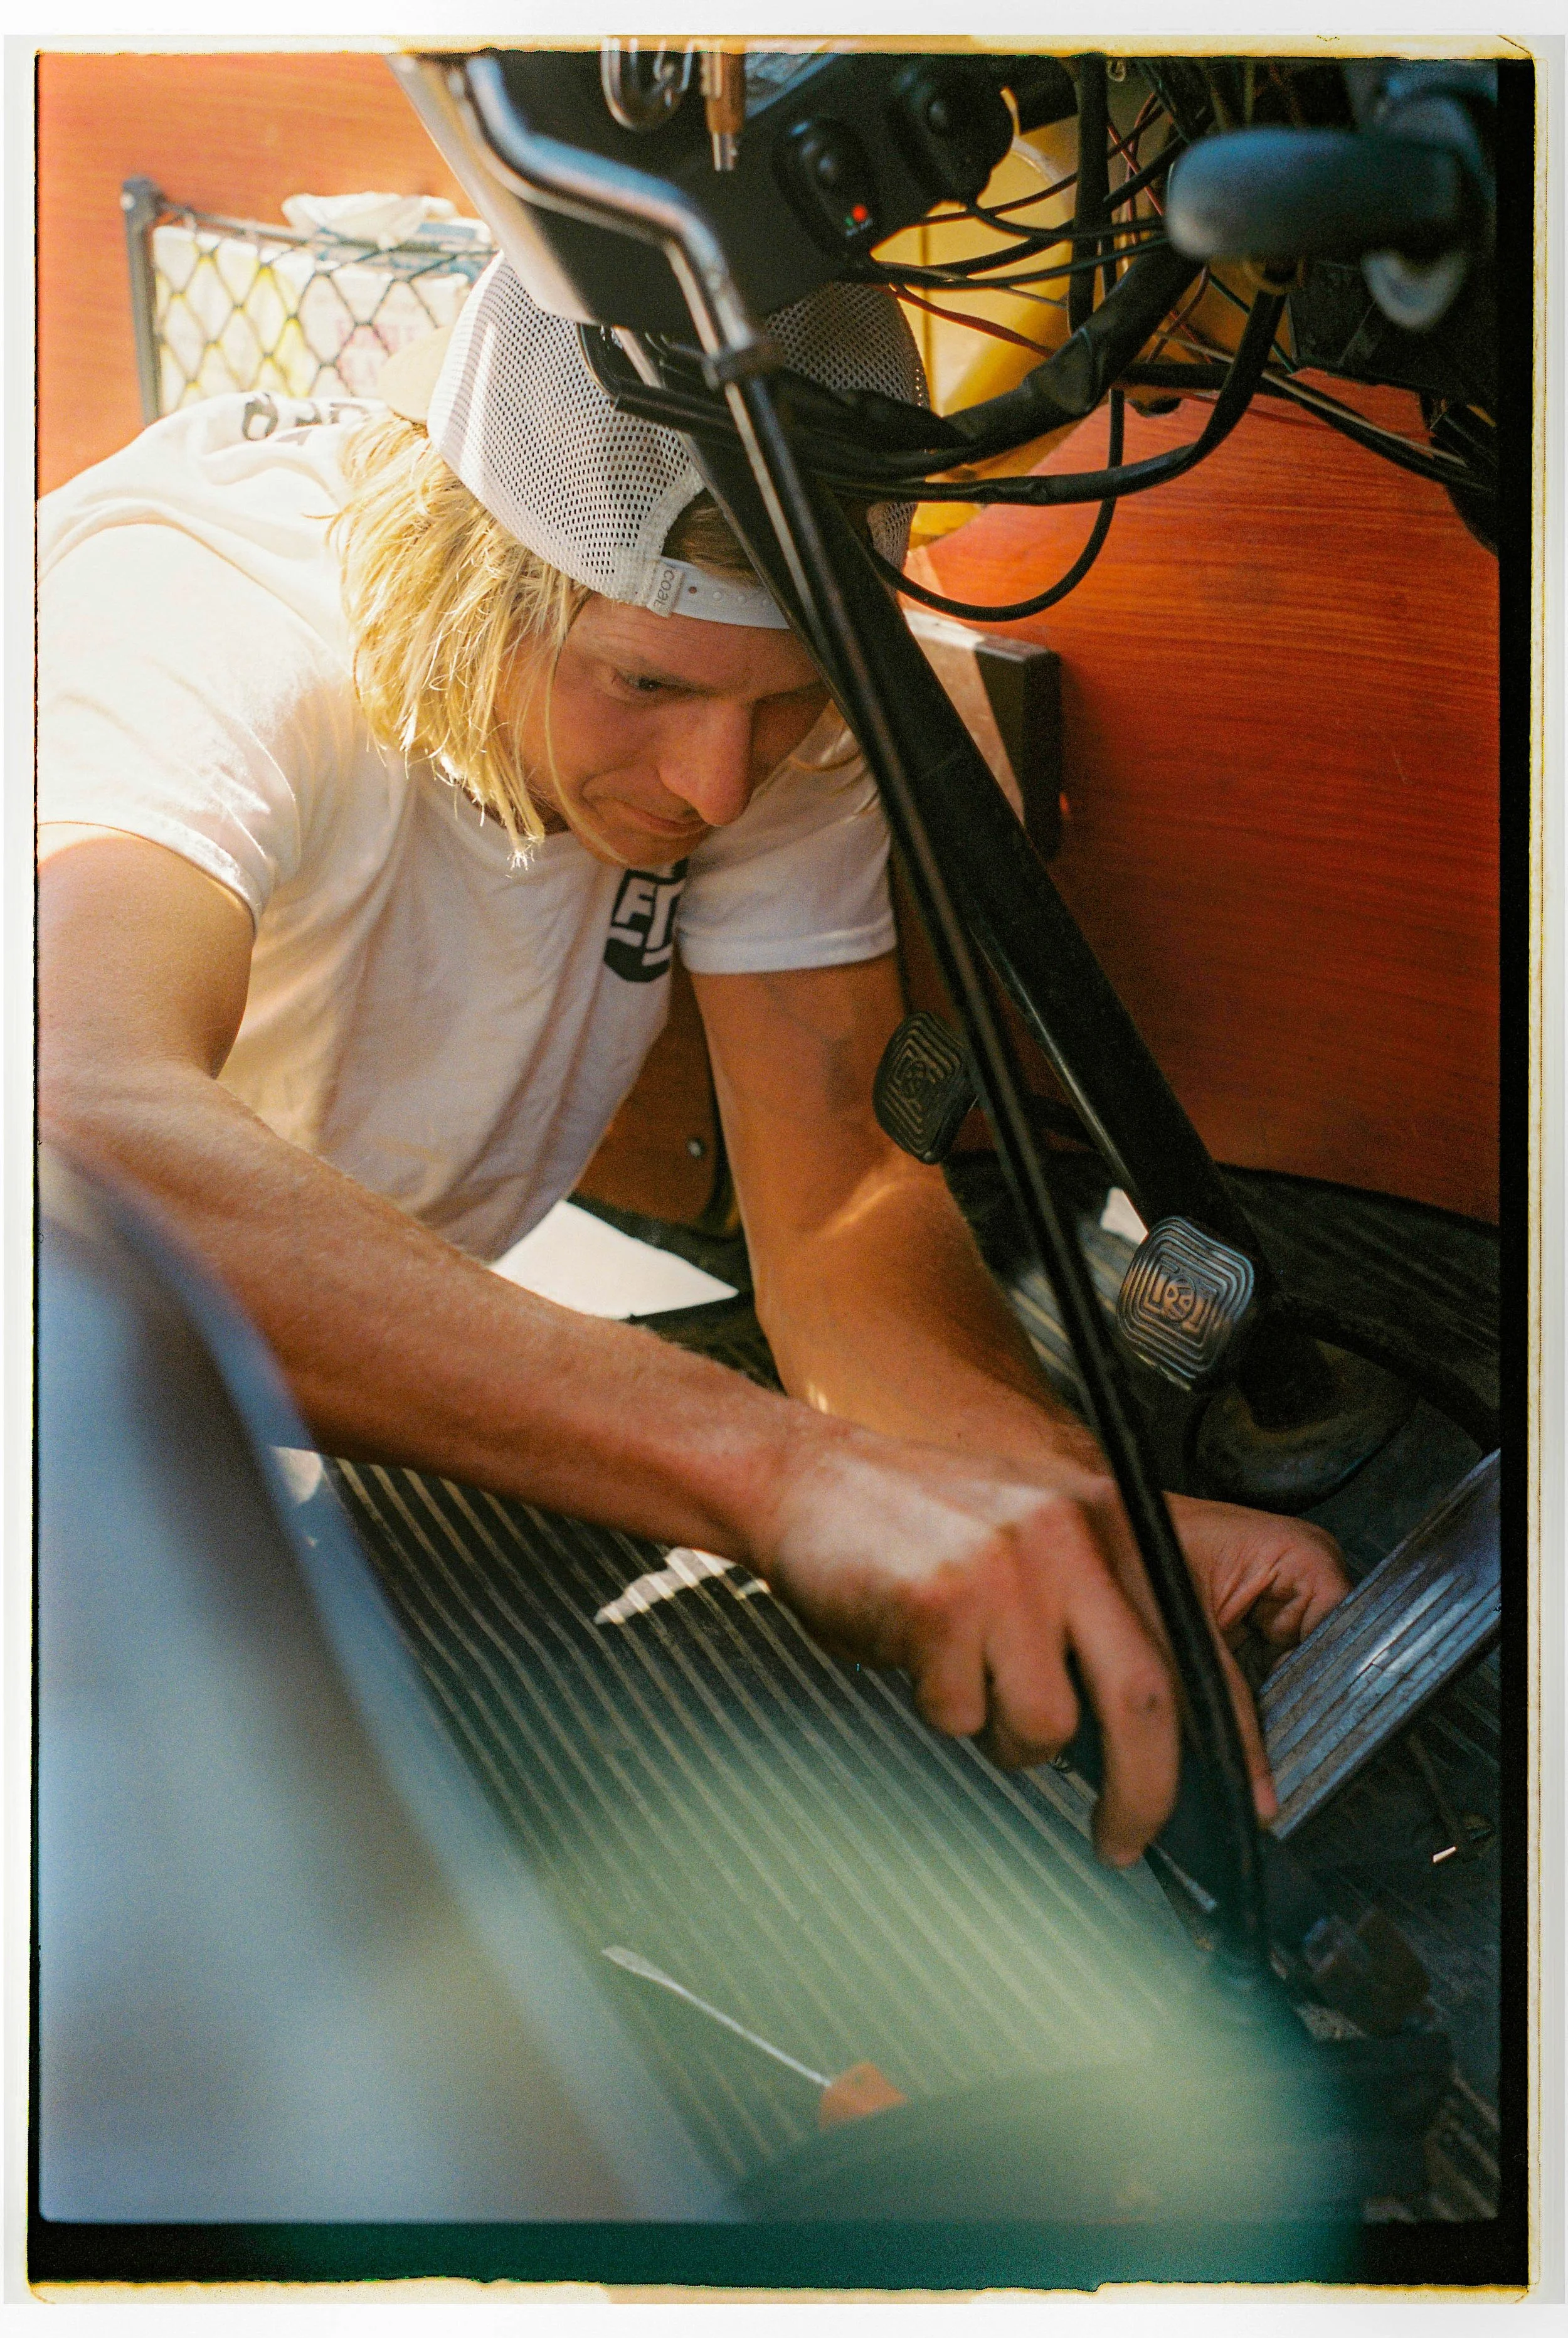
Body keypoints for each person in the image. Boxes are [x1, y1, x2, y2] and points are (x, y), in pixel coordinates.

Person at [38, 255, 1347, 1870]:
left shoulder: (753, 730)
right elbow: (72, 1138)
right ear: (475, 575)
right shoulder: (202, 610)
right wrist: (782, 1475)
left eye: (783, 703)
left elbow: (840, 1210)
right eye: (640, 684)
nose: (717, 787)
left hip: (202, 1435)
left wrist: (1076, 1524)